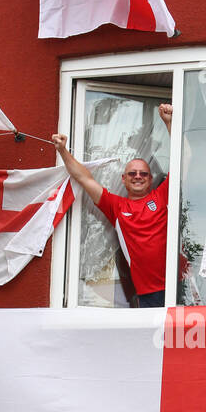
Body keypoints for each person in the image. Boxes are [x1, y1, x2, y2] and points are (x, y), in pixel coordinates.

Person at [52, 103, 172, 308]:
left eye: (143, 173)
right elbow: (83, 178)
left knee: (188, 338)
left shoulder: (161, 196)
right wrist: (62, 150)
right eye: (132, 173)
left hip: (176, 284)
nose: (138, 177)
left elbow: (183, 159)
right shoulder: (116, 206)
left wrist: (169, 124)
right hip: (148, 293)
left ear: (151, 179)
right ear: (123, 179)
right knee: (152, 340)